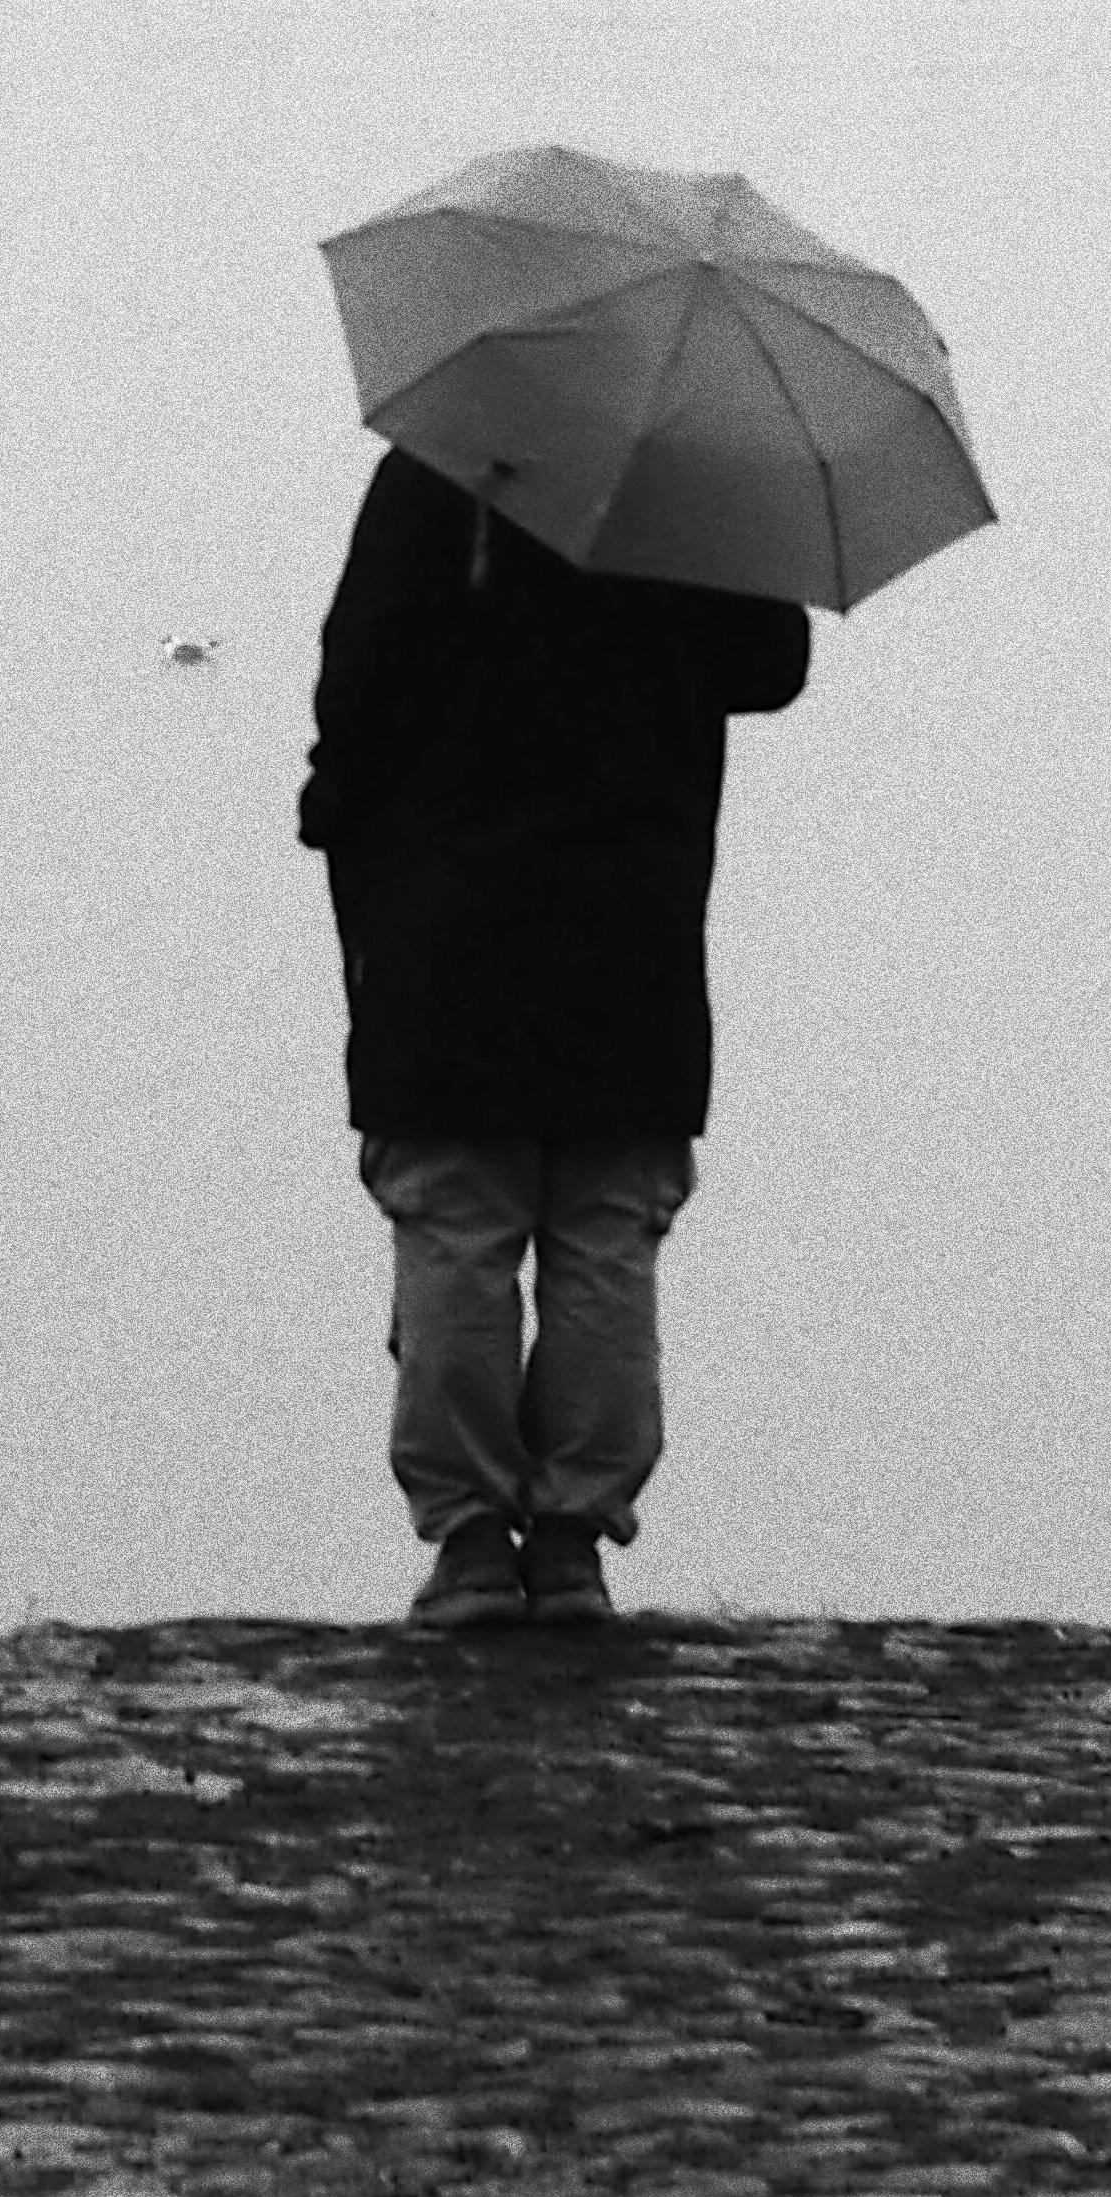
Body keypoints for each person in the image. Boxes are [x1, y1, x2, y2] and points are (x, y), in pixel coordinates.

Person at [296, 445, 810, 1628]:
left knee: (457, 1227)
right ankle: (573, 1540)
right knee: (605, 1237)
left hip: (447, 923)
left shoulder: (440, 469)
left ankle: (473, 1540)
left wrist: (338, 801)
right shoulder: (701, 481)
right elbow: (769, 666)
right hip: (634, 921)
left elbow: (362, 669)